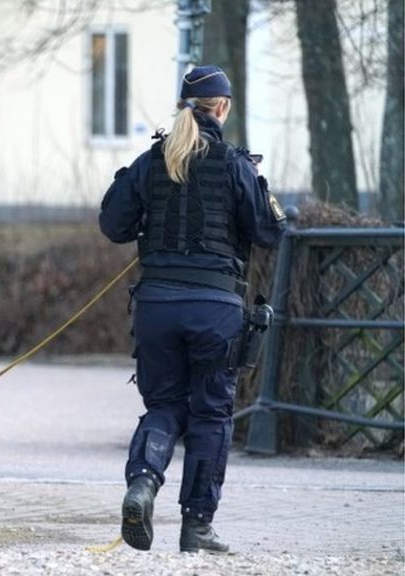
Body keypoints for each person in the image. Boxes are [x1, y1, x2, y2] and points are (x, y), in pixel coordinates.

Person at [98, 65, 288, 553]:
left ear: (183, 107)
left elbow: (114, 225)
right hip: (215, 310)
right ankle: (197, 526)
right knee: (211, 414)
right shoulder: (235, 164)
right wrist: (261, 187)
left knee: (164, 406)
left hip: (157, 307)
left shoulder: (151, 161)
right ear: (222, 107)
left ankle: (143, 483)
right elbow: (269, 232)